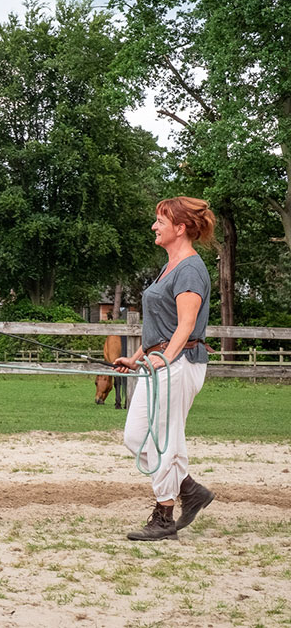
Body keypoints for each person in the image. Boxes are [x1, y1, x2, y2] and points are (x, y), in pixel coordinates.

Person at [113, 196, 217, 541]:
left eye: (160, 221)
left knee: (164, 441)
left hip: (179, 363)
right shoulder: (170, 266)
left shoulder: (190, 269)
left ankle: (164, 517)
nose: (154, 226)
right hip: (159, 362)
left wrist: (166, 357)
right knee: (136, 436)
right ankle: (190, 489)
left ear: (180, 228)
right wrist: (138, 356)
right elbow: (161, 323)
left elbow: (185, 325)